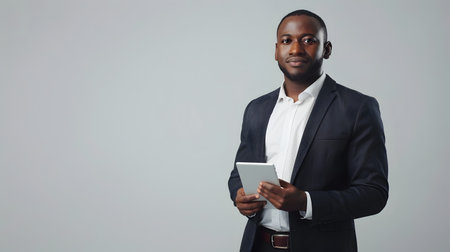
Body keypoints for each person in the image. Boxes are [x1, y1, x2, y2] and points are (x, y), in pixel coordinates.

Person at [228, 10, 388, 252]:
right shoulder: (256, 109)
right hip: (258, 245)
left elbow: (374, 193)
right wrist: (239, 196)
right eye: (286, 40)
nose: (295, 49)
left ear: (327, 49)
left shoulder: (358, 108)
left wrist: (305, 201)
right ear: (276, 51)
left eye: (308, 40)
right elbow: (237, 176)